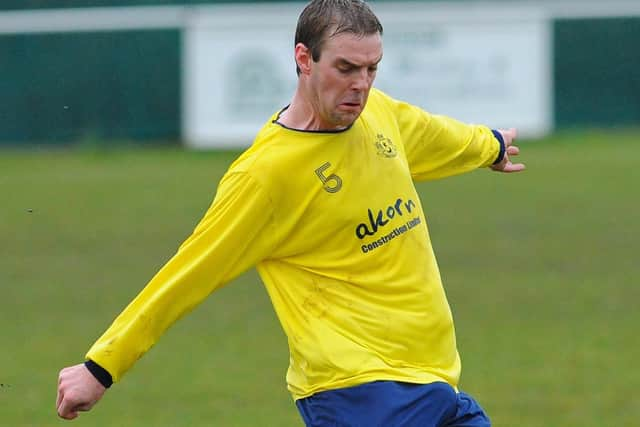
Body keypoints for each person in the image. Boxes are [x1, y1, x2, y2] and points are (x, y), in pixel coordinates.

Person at [56, 0, 525, 425]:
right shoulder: (265, 176)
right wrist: (101, 366)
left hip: (435, 383)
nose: (360, 85)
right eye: (345, 68)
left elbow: (435, 136)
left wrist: (492, 146)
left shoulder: (377, 115)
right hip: (358, 394)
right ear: (304, 59)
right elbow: (188, 273)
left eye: (371, 69)